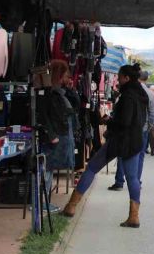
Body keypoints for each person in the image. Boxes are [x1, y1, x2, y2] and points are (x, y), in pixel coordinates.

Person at [62, 64, 148, 228]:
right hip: (134, 141)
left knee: (92, 168)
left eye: (120, 77)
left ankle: (71, 206)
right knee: (132, 178)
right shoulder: (141, 95)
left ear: (126, 78)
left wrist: (110, 121)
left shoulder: (128, 96)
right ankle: (134, 216)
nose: (118, 80)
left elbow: (124, 121)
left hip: (119, 140)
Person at [38, 59, 76, 213]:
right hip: (51, 139)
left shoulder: (59, 92)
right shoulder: (47, 92)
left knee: (49, 170)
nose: (68, 79)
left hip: (56, 137)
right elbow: (42, 115)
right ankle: (42, 204)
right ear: (59, 75)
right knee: (46, 170)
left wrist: (71, 90)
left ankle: (44, 203)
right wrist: (51, 135)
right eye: (66, 75)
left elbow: (75, 105)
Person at [109, 71, 154, 191]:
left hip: (127, 129)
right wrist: (147, 127)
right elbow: (153, 114)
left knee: (122, 153)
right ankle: (136, 182)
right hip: (142, 129)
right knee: (139, 156)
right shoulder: (150, 93)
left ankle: (119, 181)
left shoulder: (127, 92)